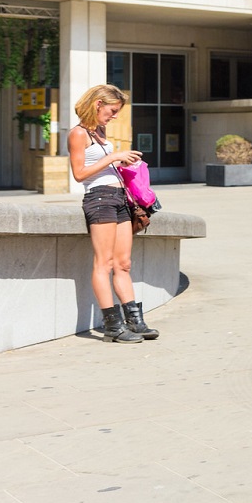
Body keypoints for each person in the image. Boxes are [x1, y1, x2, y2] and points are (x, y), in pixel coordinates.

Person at [67, 85, 157, 343]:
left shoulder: (100, 132)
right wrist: (113, 157)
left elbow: (102, 165)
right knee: (104, 263)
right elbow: (80, 174)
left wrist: (121, 162)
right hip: (99, 199)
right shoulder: (78, 134)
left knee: (123, 263)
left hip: (119, 198)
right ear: (97, 104)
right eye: (112, 110)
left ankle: (135, 321)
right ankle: (113, 327)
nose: (114, 116)